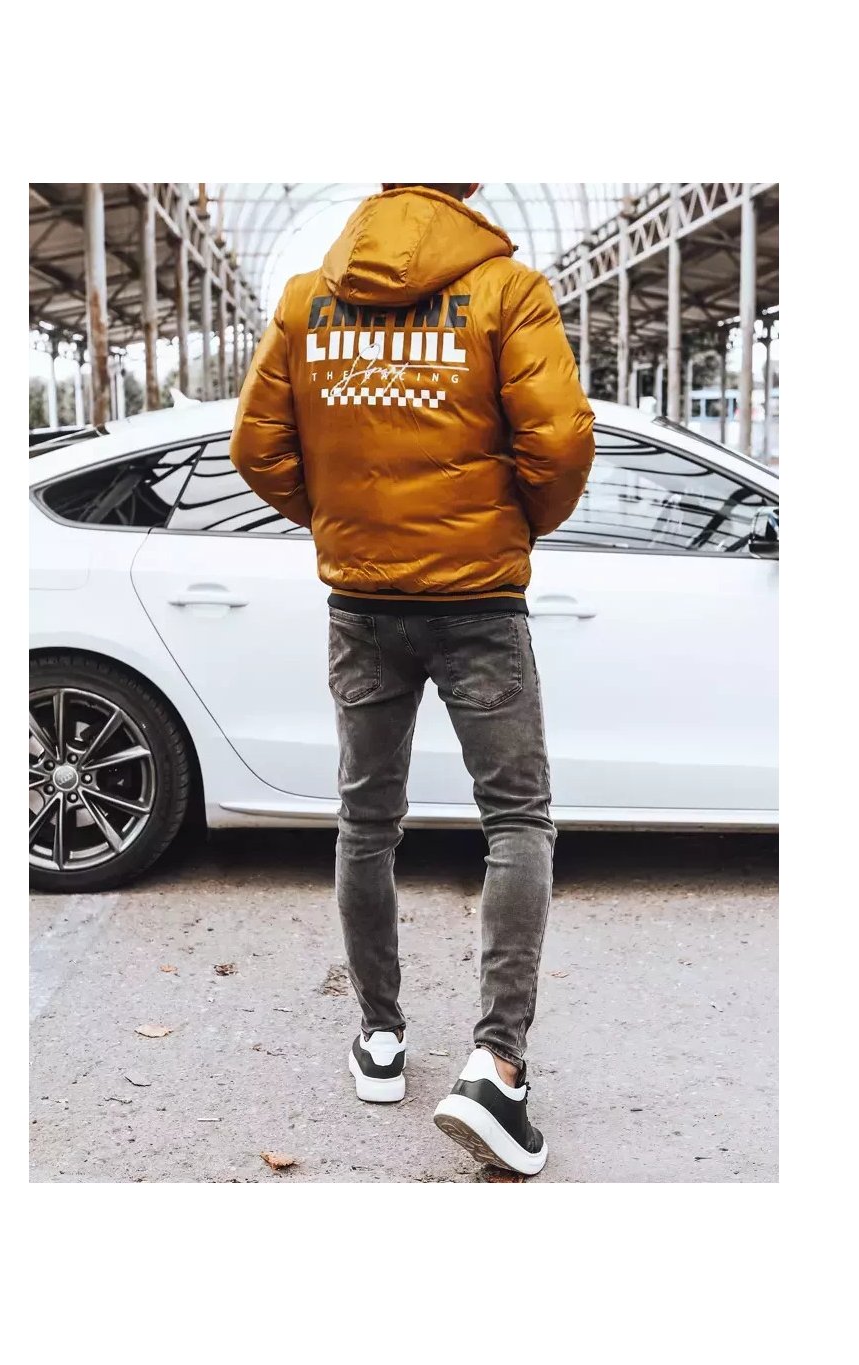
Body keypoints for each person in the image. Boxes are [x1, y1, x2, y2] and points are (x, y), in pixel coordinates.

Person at [231, 182, 594, 1176]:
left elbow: (256, 446)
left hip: (362, 603)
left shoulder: (306, 299)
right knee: (515, 821)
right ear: (468, 180)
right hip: (480, 602)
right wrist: (508, 526)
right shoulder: (507, 291)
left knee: (366, 820)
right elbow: (561, 440)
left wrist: (345, 521)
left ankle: (381, 1040)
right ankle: (496, 1065)